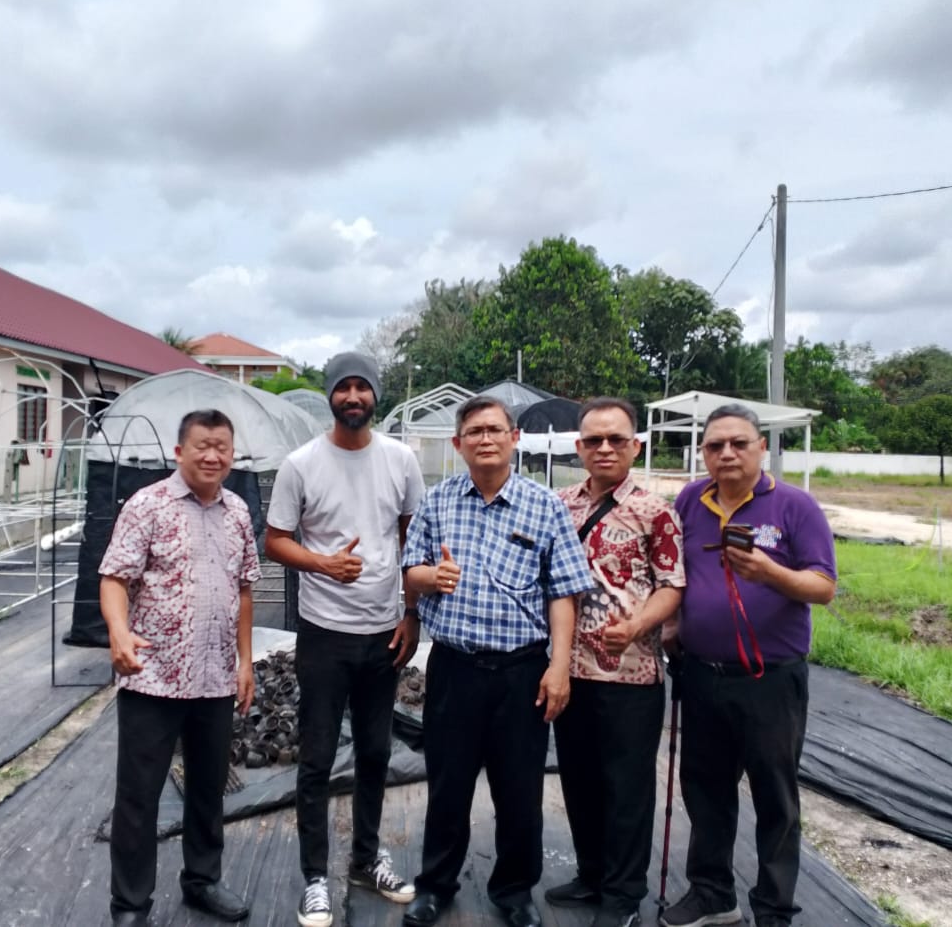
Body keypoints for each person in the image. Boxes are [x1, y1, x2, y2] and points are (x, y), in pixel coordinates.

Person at [400, 395, 595, 927]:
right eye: (474, 432)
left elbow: (563, 591)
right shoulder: (438, 502)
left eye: (494, 430)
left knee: (519, 788)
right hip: (454, 669)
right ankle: (435, 885)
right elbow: (411, 570)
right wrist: (430, 578)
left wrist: (559, 665)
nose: (485, 439)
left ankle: (513, 891)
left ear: (514, 438)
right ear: (458, 443)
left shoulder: (544, 505)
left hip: (521, 673)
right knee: (448, 784)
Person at [661, 403, 837, 927]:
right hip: (701, 674)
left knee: (774, 797)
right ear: (703, 453)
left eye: (739, 443)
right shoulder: (691, 500)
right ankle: (712, 895)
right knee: (705, 789)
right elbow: (677, 572)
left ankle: (774, 909)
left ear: (762, 447)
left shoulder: (794, 506)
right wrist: (671, 623)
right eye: (715, 445)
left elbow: (823, 587)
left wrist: (769, 573)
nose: (727, 454)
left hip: (771, 680)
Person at [265, 351, 425, 927]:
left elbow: (413, 538)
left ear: (375, 395)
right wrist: (323, 564)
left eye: (362, 387)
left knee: (376, 752)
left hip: (383, 633)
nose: (353, 396)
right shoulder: (301, 464)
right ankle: (315, 877)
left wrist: (412, 613)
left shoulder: (401, 460)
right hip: (323, 633)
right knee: (315, 757)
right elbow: (274, 540)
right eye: (343, 387)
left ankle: (364, 858)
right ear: (330, 395)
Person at [99, 409, 260, 927]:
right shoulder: (147, 505)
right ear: (179, 451)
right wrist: (119, 632)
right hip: (153, 676)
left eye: (222, 447)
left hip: (215, 676)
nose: (212, 456)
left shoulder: (238, 512)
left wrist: (245, 662)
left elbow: (244, 589)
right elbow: (114, 578)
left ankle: (203, 881)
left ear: (232, 455)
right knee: (139, 796)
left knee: (208, 788)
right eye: (202, 446)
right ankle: (130, 904)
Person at [547, 397, 685, 927]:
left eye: (616, 439)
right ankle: (591, 874)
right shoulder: (559, 505)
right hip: (570, 672)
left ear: (636, 446)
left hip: (632, 675)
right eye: (594, 440)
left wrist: (637, 626)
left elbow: (672, 585)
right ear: (579, 447)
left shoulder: (656, 512)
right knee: (579, 779)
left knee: (627, 788)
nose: (604, 448)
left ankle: (623, 895)